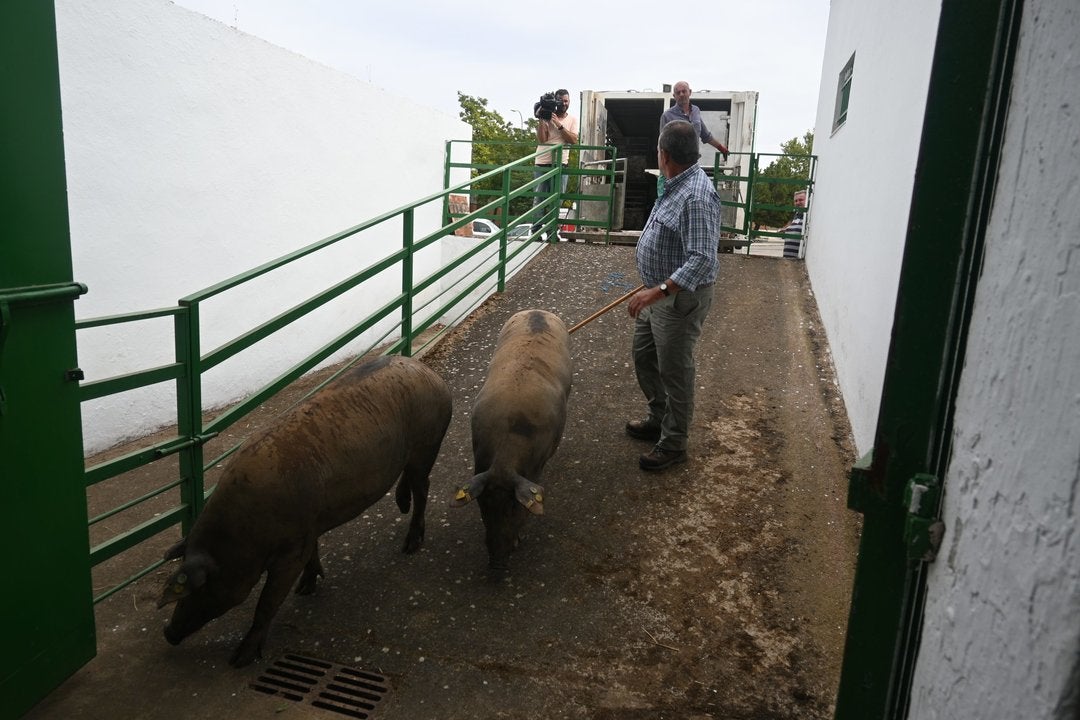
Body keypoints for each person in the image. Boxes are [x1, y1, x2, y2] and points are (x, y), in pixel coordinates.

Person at [626, 120, 721, 471]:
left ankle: (674, 443)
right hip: (658, 291)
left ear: (664, 155)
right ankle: (659, 418)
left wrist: (659, 291)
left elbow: (701, 259)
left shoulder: (696, 195)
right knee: (644, 357)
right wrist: (652, 284)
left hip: (677, 299)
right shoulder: (674, 183)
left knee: (675, 371)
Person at [657, 80, 729, 198]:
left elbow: (706, 135)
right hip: (675, 167)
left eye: (684, 91)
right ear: (674, 96)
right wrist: (663, 170)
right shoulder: (667, 116)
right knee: (669, 199)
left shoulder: (696, 111)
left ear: (690, 92)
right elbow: (661, 144)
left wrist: (721, 148)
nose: (681, 94)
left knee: (692, 196)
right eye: (678, 92)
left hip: (691, 164)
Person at [531, 89, 579, 238]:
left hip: (561, 164)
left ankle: (552, 231)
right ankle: (536, 232)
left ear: (569, 102)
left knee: (557, 199)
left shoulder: (572, 119)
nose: (563, 104)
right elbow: (542, 139)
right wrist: (542, 120)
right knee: (539, 198)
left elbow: (573, 139)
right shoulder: (547, 115)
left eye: (566, 101)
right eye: (561, 101)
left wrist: (558, 124)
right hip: (542, 162)